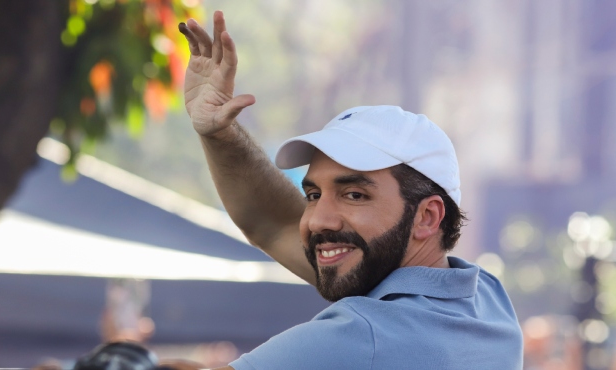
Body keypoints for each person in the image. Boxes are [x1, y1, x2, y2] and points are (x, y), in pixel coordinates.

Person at [177, 11, 523, 370]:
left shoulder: (362, 335)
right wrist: (220, 135)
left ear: (427, 216)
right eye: (313, 195)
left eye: (354, 194)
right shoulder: (488, 302)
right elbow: (272, 224)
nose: (316, 220)